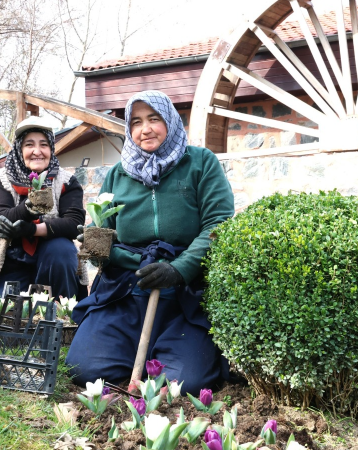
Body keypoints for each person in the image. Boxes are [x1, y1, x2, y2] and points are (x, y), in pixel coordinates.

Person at [65, 91, 235, 395]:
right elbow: (103, 230)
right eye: (137, 122)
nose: (145, 129)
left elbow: (218, 223)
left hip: (184, 292)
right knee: (84, 368)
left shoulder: (200, 163)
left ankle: (169, 353)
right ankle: (137, 354)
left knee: (186, 382)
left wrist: (179, 269)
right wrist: (95, 245)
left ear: (170, 121)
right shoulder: (118, 175)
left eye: (154, 119)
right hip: (126, 291)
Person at [0, 116, 86, 299]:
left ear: (51, 149)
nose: (37, 151)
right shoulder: (1, 179)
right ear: (20, 149)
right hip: (9, 259)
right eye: (29, 145)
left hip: (52, 259)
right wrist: (27, 210)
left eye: (44, 145)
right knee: (3, 311)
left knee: (61, 250)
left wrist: (32, 229)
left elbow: (74, 223)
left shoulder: (66, 181)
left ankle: (61, 317)